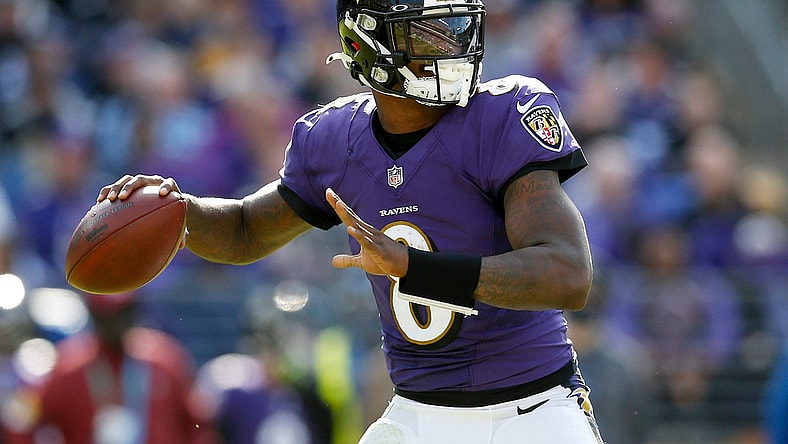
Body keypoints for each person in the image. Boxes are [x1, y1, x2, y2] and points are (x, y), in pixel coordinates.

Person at [97, 1, 601, 442]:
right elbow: (247, 229)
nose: (451, 42)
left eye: (454, 24)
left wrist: (415, 268)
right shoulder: (334, 138)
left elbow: (567, 274)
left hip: (532, 406)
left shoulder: (503, 113)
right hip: (420, 413)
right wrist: (175, 210)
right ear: (369, 42)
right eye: (426, 31)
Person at [4, 291, 217, 444]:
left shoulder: (165, 359)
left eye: (124, 313)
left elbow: (198, 425)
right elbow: (21, 421)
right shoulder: (68, 366)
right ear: (94, 316)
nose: (116, 324)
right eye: (107, 317)